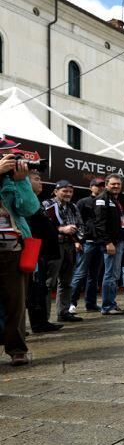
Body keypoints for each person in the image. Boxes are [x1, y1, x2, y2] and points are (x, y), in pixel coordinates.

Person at [0, 140, 42, 365]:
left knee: (16, 301)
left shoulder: (15, 179)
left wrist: (20, 183)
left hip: (13, 248)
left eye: (12, 156)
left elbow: (29, 209)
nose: (10, 160)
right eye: (5, 156)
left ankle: (16, 348)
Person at [25, 170, 62, 333]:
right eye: (37, 179)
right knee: (34, 289)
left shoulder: (35, 201)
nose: (41, 183)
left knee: (40, 288)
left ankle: (41, 321)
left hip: (42, 252)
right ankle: (37, 323)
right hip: (32, 250)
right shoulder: (26, 202)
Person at [43, 180, 84, 323]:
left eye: (70, 191)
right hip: (54, 246)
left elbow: (80, 224)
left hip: (70, 246)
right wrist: (61, 229)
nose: (68, 194)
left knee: (66, 282)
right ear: (56, 191)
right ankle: (44, 318)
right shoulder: (47, 204)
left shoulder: (73, 206)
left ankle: (64, 312)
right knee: (48, 282)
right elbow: (43, 226)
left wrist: (78, 239)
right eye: (64, 191)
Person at [70, 177, 105, 312]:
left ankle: (90, 304)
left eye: (102, 185)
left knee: (94, 276)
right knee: (80, 273)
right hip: (86, 243)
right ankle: (71, 303)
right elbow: (75, 221)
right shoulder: (83, 202)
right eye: (98, 185)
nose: (100, 187)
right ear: (91, 187)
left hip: (99, 243)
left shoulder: (105, 202)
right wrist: (77, 241)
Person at [95, 173, 124, 316]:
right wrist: (107, 242)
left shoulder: (116, 200)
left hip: (118, 242)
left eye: (118, 184)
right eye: (113, 184)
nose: (116, 186)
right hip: (111, 243)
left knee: (114, 274)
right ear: (107, 184)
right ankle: (107, 306)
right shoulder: (103, 199)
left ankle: (111, 303)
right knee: (110, 275)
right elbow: (99, 223)